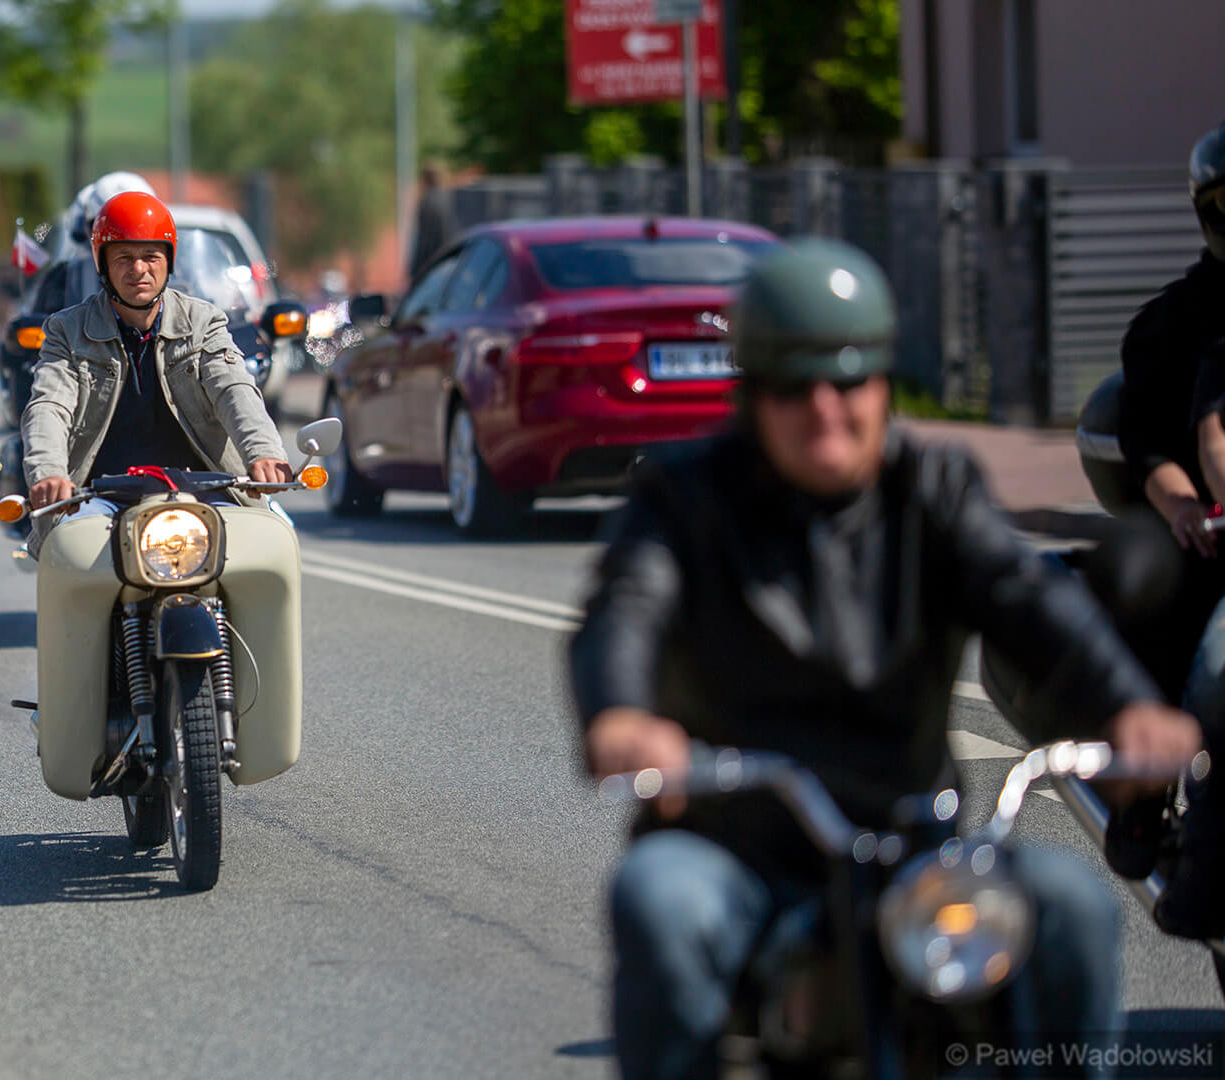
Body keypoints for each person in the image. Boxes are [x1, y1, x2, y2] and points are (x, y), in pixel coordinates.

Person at [569, 238, 1201, 1080]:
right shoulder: (686, 498)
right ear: (754, 395)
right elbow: (625, 607)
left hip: (916, 842)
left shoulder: (933, 489)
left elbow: (1031, 602)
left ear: (881, 386)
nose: (826, 407)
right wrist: (622, 714)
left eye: (851, 378)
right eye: (796, 385)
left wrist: (1127, 707)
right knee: (662, 905)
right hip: (740, 843)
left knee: (1071, 905)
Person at [1100, 119, 1225, 938]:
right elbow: (1182, 437)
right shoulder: (1179, 323)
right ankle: (1153, 806)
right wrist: (1184, 505)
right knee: (1174, 622)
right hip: (1203, 530)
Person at [21, 191, 291, 548]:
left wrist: (264, 453)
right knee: (68, 561)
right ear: (102, 263)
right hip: (97, 497)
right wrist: (50, 473)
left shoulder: (203, 321)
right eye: (124, 257)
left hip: (202, 492)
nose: (138, 270)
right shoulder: (67, 331)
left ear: (169, 261)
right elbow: (48, 406)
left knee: (277, 546)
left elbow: (234, 391)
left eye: (150, 256)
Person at [406, 161, 454, 286]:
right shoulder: (448, 199)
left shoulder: (427, 202)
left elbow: (423, 239)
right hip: (449, 260)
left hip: (430, 264)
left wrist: (414, 270)